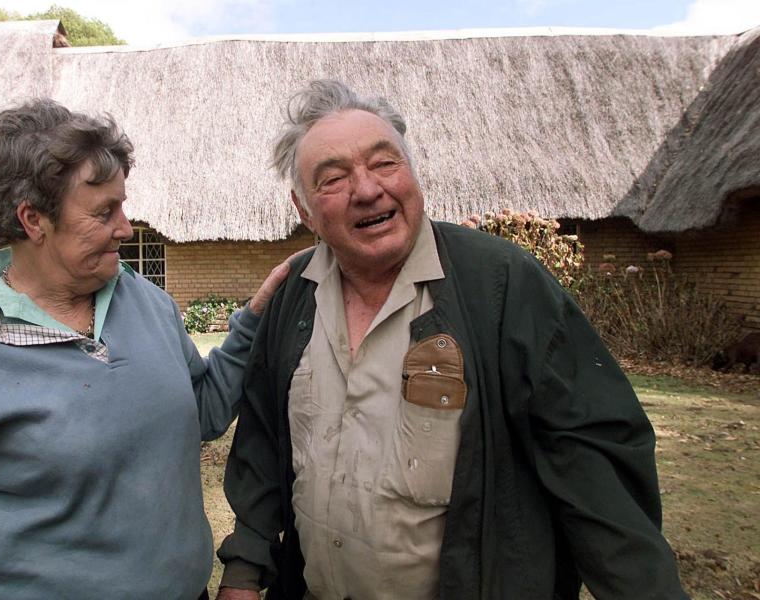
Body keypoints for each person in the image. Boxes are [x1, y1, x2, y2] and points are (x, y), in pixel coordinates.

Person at [215, 80, 689, 600]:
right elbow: (262, 438)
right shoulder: (294, 295)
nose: (368, 189)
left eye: (384, 163)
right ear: (303, 209)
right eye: (333, 178)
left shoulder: (503, 284)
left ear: (414, 174)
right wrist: (245, 569)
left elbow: (593, 464)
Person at [0, 98, 292, 599]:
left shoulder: (148, 304)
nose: (126, 228)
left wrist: (249, 324)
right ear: (33, 219)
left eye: (123, 205)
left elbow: (199, 413)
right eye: (104, 212)